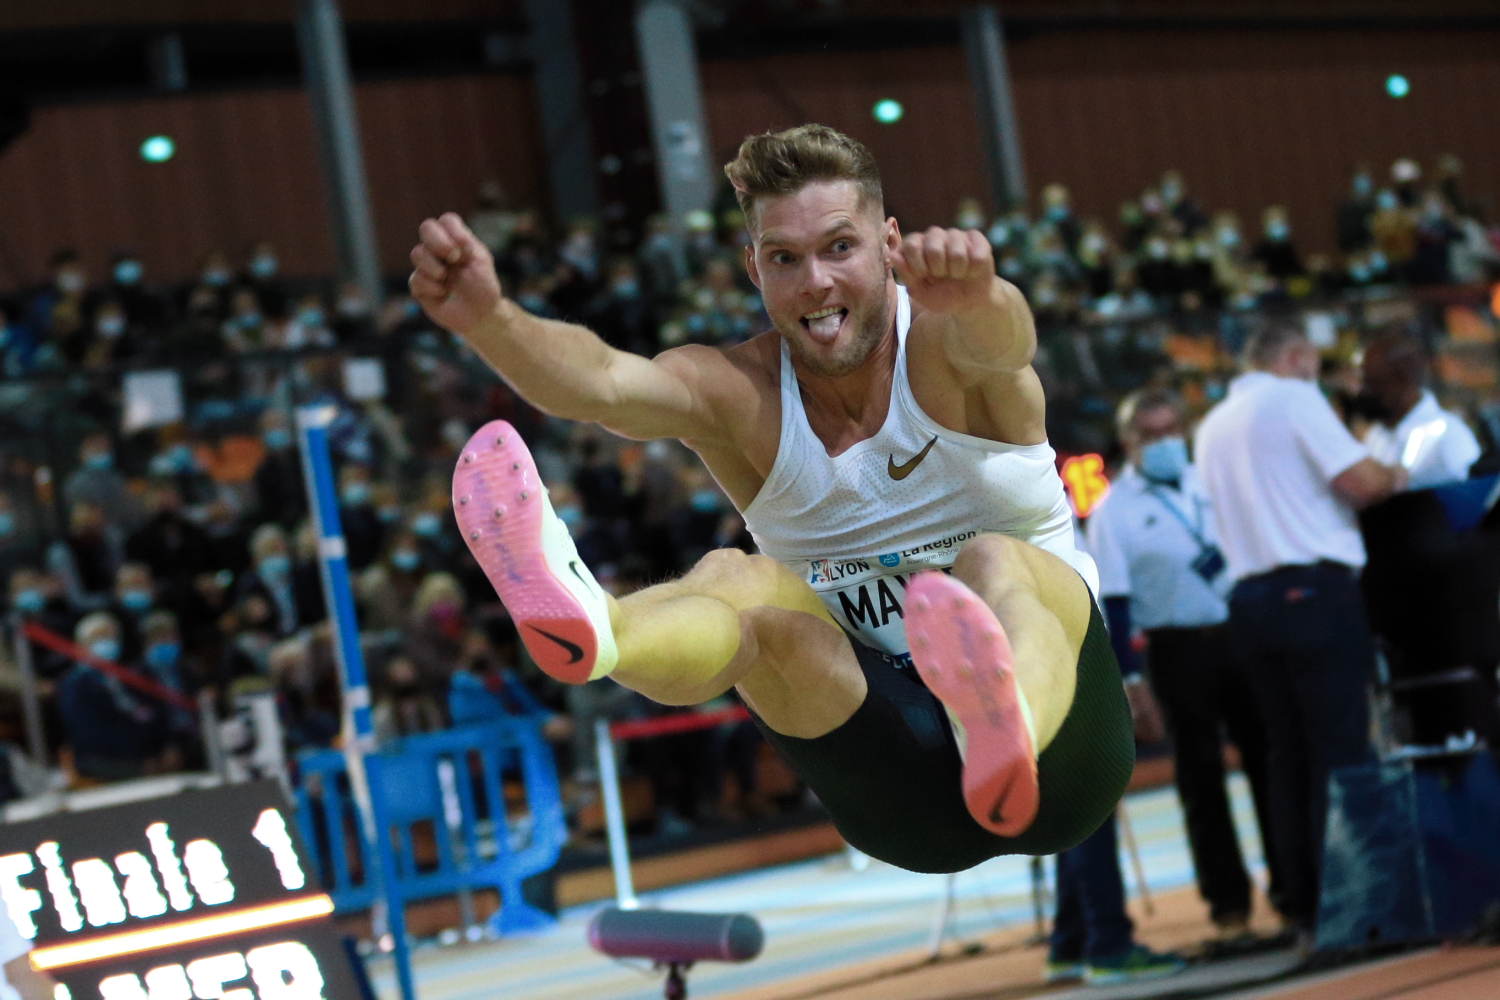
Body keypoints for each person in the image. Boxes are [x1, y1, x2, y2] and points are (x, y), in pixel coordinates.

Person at [412, 124, 1134, 877]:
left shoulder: (947, 339)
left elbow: (1004, 344)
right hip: (898, 783)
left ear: (890, 243)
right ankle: (602, 626)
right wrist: (489, 320)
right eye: (786, 258)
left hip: (1065, 761)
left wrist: (983, 295)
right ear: (753, 267)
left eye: (839, 248)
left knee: (993, 562)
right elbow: (602, 384)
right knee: (738, 579)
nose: (815, 281)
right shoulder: (738, 392)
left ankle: (1001, 719)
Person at [1194, 324, 1406, 943]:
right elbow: (1362, 482)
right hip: (1313, 592)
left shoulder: (1212, 424)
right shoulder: (1293, 398)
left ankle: (1307, 907)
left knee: (1286, 757)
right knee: (1341, 750)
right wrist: (1398, 471)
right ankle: (1358, 909)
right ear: (1294, 357)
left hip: (1250, 603)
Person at [1088, 389, 1283, 941]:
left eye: (1171, 430)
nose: (1164, 443)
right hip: (1177, 649)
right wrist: (1131, 680)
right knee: (1200, 779)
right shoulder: (1114, 510)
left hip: (1240, 634)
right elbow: (1115, 602)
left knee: (1271, 763)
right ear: (1129, 443)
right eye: (1150, 435)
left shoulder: (1213, 482)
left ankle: (1295, 892)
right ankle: (1229, 908)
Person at [1359, 333, 1482, 490]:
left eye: (1375, 382)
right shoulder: (1375, 434)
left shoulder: (1449, 435)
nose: (1367, 391)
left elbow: (1474, 494)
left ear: (1404, 380)